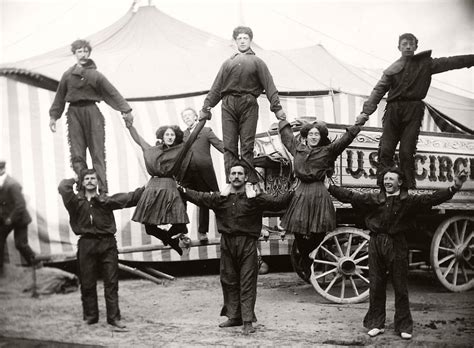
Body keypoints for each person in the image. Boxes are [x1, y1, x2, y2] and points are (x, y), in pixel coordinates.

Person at [328, 167, 467, 340]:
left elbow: (431, 199)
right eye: (385, 179)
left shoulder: (408, 201)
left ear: (400, 182)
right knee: (376, 285)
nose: (387, 182)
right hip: (376, 243)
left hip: (397, 244)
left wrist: (454, 187)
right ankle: (375, 324)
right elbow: (351, 197)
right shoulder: (374, 199)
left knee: (400, 287)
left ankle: (403, 326)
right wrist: (330, 187)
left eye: (391, 179)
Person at [179, 164, 293, 335]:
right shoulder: (220, 198)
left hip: (248, 244)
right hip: (227, 243)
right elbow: (199, 197)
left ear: (246, 178)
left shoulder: (255, 198)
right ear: (229, 177)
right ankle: (234, 317)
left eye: (240, 173)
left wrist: (296, 188)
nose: (237, 176)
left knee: (247, 282)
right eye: (234, 174)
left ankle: (247, 321)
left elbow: (278, 202)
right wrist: (180, 189)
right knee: (228, 280)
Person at [360, 33, 474, 190]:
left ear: (416, 47)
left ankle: (408, 189)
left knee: (406, 152)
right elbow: (378, 90)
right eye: (404, 43)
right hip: (393, 111)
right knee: (385, 150)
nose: (407, 46)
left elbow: (451, 62)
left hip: (413, 111)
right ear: (398, 47)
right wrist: (366, 112)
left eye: (411, 44)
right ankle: (382, 188)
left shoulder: (426, 64)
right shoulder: (391, 70)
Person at [278, 114, 368, 280]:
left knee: (320, 231)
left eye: (317, 134)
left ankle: (310, 254)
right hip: (301, 191)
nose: (313, 137)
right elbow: (286, 136)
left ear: (321, 137)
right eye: (311, 134)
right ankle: (306, 257)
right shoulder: (297, 148)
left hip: (319, 191)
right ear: (306, 136)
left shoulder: (329, 151)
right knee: (298, 229)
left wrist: (359, 123)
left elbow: (345, 140)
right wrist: (282, 118)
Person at [199, 26, 287, 184]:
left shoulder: (258, 62)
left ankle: (248, 183)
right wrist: (206, 108)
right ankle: (230, 182)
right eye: (239, 38)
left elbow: (270, 86)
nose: (242, 41)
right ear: (235, 41)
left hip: (249, 103)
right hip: (228, 104)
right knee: (229, 146)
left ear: (250, 40)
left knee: (247, 145)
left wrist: (277, 108)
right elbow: (216, 88)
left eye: (245, 38)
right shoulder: (227, 63)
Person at [58, 169, 144, 329]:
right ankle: (91, 316)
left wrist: (149, 186)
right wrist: (74, 178)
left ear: (97, 182)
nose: (90, 181)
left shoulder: (106, 200)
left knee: (111, 282)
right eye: (87, 179)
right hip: (86, 244)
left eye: (93, 178)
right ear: (82, 183)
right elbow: (63, 187)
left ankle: (114, 318)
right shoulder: (74, 202)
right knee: (87, 282)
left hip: (107, 244)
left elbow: (131, 197)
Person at [49, 39, 134, 195]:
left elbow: (112, 93)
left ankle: (102, 190)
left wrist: (126, 110)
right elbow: (60, 97)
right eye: (79, 51)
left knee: (97, 152)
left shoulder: (95, 75)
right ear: (74, 54)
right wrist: (54, 116)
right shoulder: (67, 75)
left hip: (92, 112)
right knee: (77, 152)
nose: (83, 54)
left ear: (89, 53)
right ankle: (82, 188)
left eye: (86, 51)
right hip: (74, 113)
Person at [124, 114, 208, 255]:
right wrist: (130, 126)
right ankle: (170, 240)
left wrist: (203, 120)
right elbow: (138, 140)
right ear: (162, 136)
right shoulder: (152, 150)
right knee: (149, 227)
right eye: (167, 134)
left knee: (179, 224)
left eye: (172, 135)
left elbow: (193, 136)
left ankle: (171, 239)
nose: (170, 137)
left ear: (176, 137)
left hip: (169, 185)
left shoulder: (180, 149)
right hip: (152, 186)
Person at [180, 107, 224, 244]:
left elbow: (220, 145)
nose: (186, 118)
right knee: (181, 198)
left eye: (189, 115)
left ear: (195, 117)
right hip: (186, 173)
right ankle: (181, 232)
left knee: (209, 200)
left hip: (204, 172)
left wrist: (235, 155)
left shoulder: (206, 131)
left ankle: (203, 232)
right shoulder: (181, 135)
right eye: (184, 117)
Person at [0, 160, 36, 276]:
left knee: (21, 244)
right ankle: (1, 270)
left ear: (3, 170)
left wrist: (10, 219)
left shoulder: (12, 184)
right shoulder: (2, 183)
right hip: (6, 218)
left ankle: (37, 266)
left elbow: (20, 205)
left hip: (19, 218)